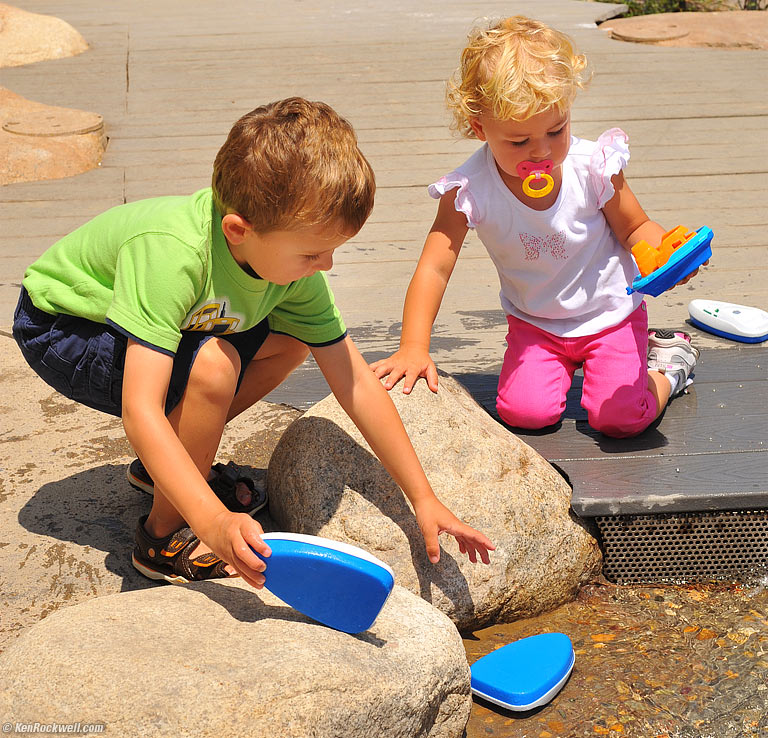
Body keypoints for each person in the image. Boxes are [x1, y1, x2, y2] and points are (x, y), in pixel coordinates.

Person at [12, 97, 494, 588]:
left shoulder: (289, 266)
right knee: (213, 367)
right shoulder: (172, 253)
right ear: (238, 230)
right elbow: (141, 410)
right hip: (66, 328)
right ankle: (162, 536)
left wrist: (423, 498)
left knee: (291, 342)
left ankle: (169, 471)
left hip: (176, 323)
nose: (326, 266)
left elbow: (354, 383)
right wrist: (213, 522)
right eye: (312, 253)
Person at [371, 16, 705, 439]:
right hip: (537, 325)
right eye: (519, 141)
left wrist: (667, 252)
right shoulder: (470, 190)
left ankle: (668, 369)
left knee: (620, 419)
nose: (542, 151)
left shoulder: (593, 168)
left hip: (610, 314)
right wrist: (414, 347)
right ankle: (569, 371)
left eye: (556, 129)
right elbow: (434, 268)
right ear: (480, 128)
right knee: (525, 413)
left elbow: (635, 227)